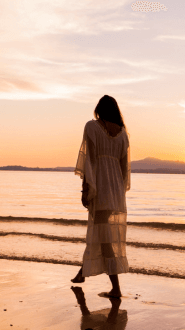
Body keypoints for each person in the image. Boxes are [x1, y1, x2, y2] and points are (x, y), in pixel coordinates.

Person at [72, 95, 131, 298]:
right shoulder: (123, 135)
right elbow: (124, 170)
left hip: (100, 188)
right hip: (115, 191)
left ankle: (115, 288)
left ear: (99, 109)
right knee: (100, 234)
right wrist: (119, 191)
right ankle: (82, 273)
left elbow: (89, 161)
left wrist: (86, 188)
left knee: (104, 239)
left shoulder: (92, 127)